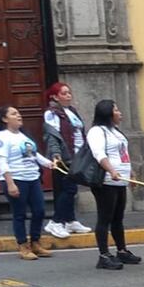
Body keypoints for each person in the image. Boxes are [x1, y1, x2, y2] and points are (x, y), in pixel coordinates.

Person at [0, 107, 54, 260]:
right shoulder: (1, 137)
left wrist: (49, 164)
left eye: (18, 113)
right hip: (16, 179)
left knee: (39, 211)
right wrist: (10, 183)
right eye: (13, 114)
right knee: (19, 214)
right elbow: (2, 161)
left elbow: (34, 155)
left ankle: (35, 242)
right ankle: (22, 246)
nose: (18, 115)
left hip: (32, 178)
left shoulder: (23, 136)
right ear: (5, 119)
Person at [86, 99, 141, 271]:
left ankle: (121, 250)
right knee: (105, 218)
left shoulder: (115, 131)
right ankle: (103, 255)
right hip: (106, 181)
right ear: (107, 113)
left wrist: (129, 174)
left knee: (118, 218)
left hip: (120, 181)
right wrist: (111, 170)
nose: (120, 113)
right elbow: (98, 154)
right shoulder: (96, 131)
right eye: (116, 110)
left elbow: (122, 154)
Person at [42, 82, 91, 239]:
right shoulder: (52, 113)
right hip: (64, 157)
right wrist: (56, 154)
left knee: (69, 189)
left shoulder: (72, 111)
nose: (68, 95)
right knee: (67, 189)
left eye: (69, 92)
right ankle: (56, 222)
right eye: (64, 93)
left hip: (77, 156)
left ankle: (70, 220)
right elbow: (52, 136)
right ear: (55, 97)